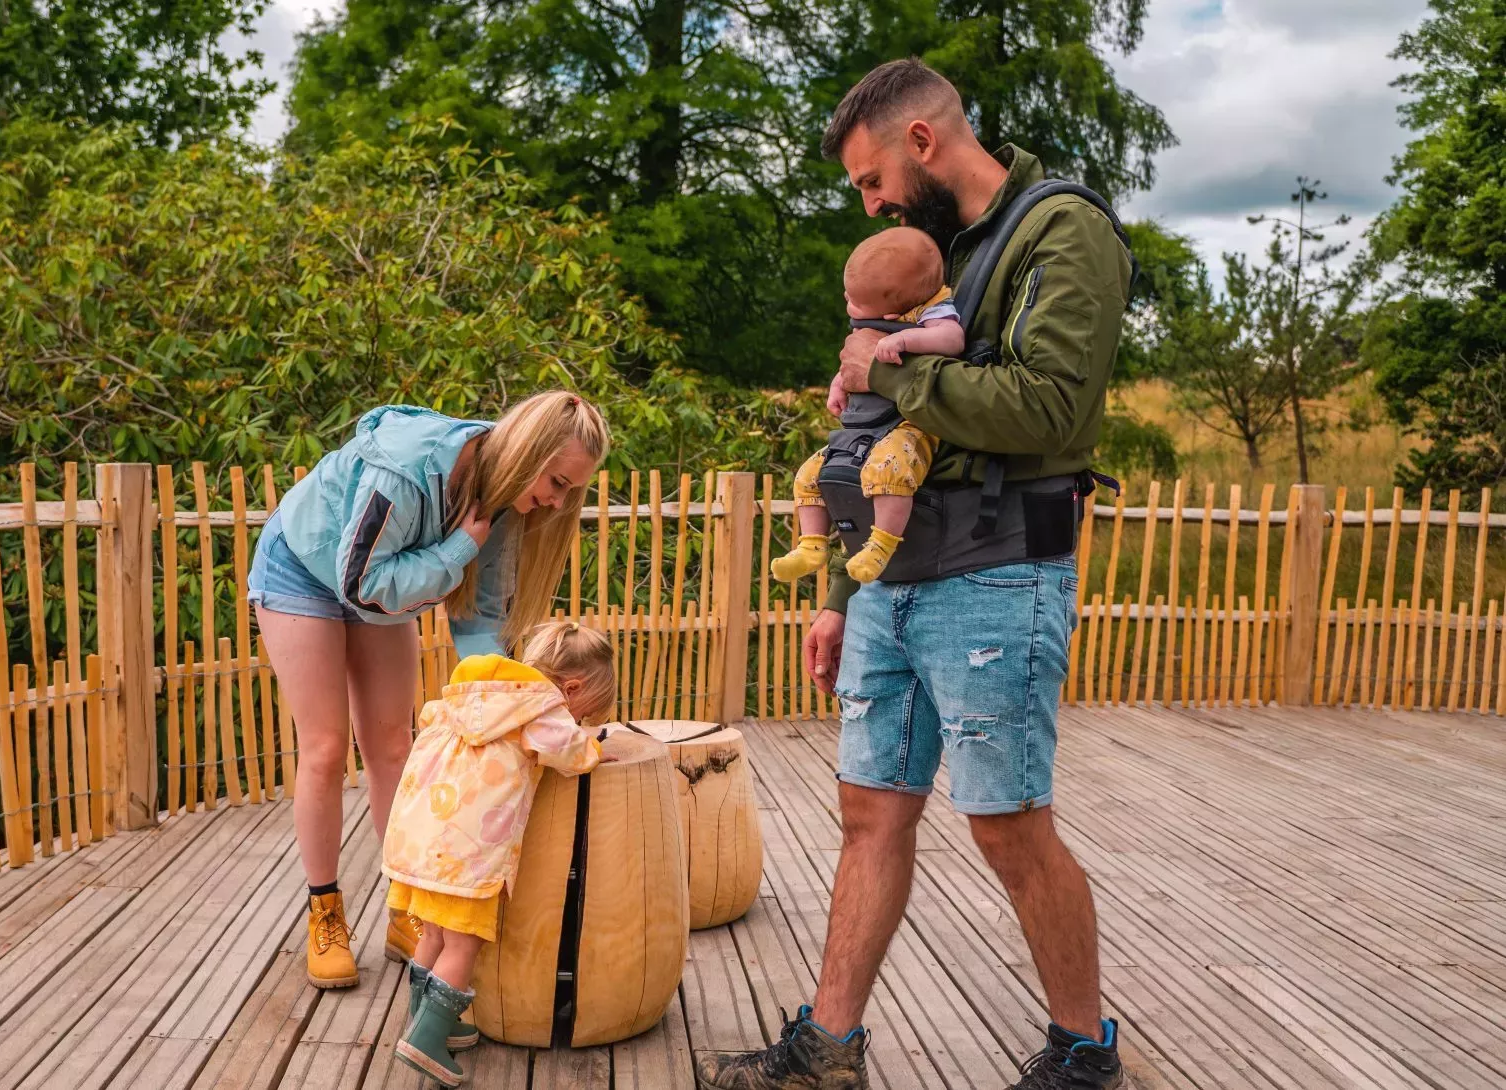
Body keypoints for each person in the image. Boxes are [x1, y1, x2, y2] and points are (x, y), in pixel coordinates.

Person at [696, 58, 1132, 1090]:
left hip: (994, 573)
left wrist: (890, 362)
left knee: (1007, 823)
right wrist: (841, 593)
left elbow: (1044, 408)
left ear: (922, 144)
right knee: (869, 812)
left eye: (868, 180)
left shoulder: (1058, 231)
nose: (869, 203)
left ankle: (1082, 1049)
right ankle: (828, 1047)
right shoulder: (922, 260)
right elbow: (873, 439)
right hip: (890, 582)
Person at [247, 391, 609, 991]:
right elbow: (362, 582)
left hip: (382, 582)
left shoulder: (506, 503)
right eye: (555, 481)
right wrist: (457, 549)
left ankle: (408, 911)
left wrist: (500, 707)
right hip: (307, 571)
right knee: (327, 748)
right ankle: (325, 913)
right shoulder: (405, 471)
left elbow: (483, 617)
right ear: (526, 453)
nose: (557, 499)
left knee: (395, 749)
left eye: (571, 490)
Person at [383, 622, 614, 1087]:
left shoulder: (476, 694)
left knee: (433, 934)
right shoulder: (540, 707)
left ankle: (428, 1021)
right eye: (583, 712)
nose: (579, 721)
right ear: (570, 688)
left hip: (424, 836)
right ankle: (425, 1040)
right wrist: (591, 746)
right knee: (464, 943)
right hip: (470, 849)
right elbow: (568, 752)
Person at [770, 227, 966, 585]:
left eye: (855, 301)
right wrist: (839, 383)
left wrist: (909, 339)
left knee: (889, 470)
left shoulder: (928, 310)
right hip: (863, 426)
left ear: (893, 313)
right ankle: (812, 544)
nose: (848, 302)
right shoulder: (879, 313)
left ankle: (881, 544)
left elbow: (953, 339)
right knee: (811, 473)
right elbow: (854, 361)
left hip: (909, 423)